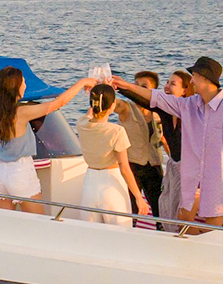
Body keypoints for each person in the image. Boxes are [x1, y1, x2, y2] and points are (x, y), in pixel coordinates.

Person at [113, 56, 223, 229]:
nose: (191, 81)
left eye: (194, 76)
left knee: (211, 230)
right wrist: (125, 85)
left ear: (204, 78)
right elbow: (157, 97)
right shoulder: (190, 105)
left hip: (220, 182)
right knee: (187, 223)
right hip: (193, 180)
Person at [0, 66, 93, 213]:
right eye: (23, 82)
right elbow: (58, 103)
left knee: (6, 222)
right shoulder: (20, 113)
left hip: (0, 174)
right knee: (37, 221)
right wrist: (83, 82)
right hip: (20, 173)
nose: (25, 86)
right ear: (16, 87)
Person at [76, 83, 151, 225]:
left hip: (89, 184)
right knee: (120, 231)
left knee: (91, 232)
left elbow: (89, 115)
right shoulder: (116, 131)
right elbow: (125, 168)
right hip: (111, 184)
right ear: (112, 106)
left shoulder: (81, 124)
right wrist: (138, 197)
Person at [111, 70, 164, 217]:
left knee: (159, 207)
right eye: (136, 84)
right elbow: (113, 104)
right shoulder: (127, 108)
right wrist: (107, 88)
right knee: (131, 208)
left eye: (144, 86)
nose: (138, 88)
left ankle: (160, 228)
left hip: (154, 165)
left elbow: (165, 139)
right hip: (132, 165)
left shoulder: (157, 112)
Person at [154, 70, 191, 219]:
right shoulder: (166, 113)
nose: (167, 87)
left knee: (180, 212)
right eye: (167, 82)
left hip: (189, 172)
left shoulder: (190, 115)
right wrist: (120, 87)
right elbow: (144, 99)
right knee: (166, 204)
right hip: (174, 168)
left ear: (184, 91)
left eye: (173, 84)